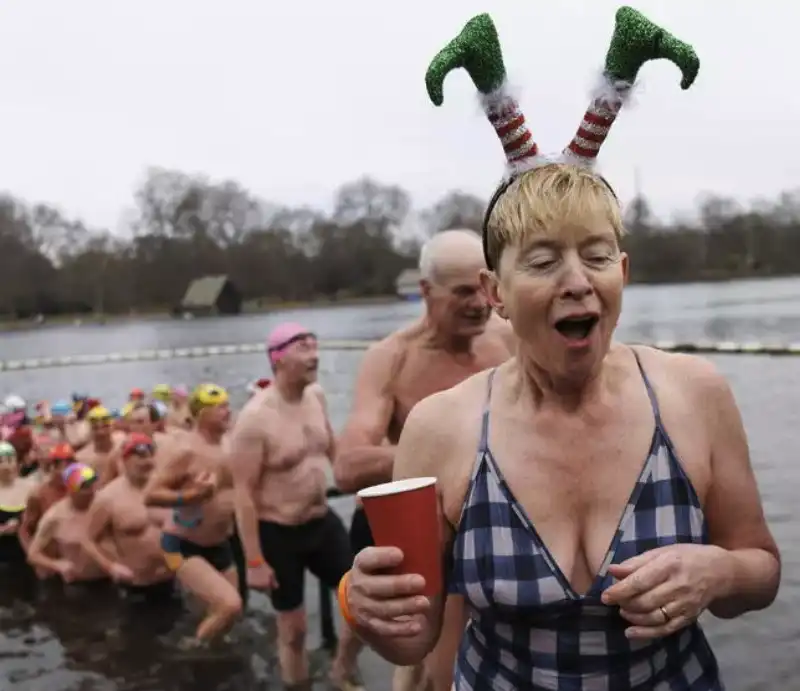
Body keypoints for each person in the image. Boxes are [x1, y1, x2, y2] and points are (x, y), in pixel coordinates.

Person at [343, 11, 780, 690]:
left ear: (623, 274)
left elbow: (760, 568)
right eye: (543, 260)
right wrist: (370, 607)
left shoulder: (696, 394)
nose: (578, 281)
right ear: (496, 291)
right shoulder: (440, 426)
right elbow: (416, 636)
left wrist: (717, 571)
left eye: (597, 255)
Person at [334, 230, 514, 691]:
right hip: (417, 528)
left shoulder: (506, 341)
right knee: (440, 668)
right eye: (462, 292)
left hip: (487, 521)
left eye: (484, 286)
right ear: (425, 291)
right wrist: (440, 448)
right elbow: (349, 464)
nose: (479, 302)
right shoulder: (392, 358)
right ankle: (343, 662)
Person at [230, 322, 364, 690]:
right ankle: (298, 684)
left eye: (315, 346)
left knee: (364, 602)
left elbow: (332, 446)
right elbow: (242, 493)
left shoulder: (316, 396)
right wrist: (254, 562)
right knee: (294, 630)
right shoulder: (254, 420)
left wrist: (356, 486)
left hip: (321, 521)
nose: (315, 355)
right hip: (278, 532)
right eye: (303, 349)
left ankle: (342, 669)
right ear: (277, 359)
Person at [144, 383, 242, 646]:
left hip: (220, 543)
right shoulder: (185, 450)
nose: (227, 411)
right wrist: (190, 496)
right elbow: (151, 495)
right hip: (179, 545)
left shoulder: (231, 444)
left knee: (226, 615)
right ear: (201, 414)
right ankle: (191, 653)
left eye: (227, 405)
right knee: (229, 606)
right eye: (219, 407)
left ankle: (212, 654)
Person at [83, 433, 175, 603]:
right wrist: (110, 567)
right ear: (124, 460)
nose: (146, 461)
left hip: (173, 578)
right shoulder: (107, 497)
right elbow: (87, 540)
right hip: (137, 584)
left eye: (149, 455)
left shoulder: (165, 486)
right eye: (139, 456)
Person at [27, 462, 110, 584]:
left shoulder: (104, 505)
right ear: (70, 489)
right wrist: (57, 564)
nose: (90, 491)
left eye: (92, 484)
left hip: (109, 580)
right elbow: (33, 555)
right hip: (77, 583)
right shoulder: (54, 517)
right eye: (84, 486)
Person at [19, 443, 72, 557]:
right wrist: (34, 558)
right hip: (51, 559)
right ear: (52, 468)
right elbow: (24, 530)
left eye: (70, 466)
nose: (66, 471)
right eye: (61, 466)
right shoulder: (38, 494)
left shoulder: (79, 490)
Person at [0, 441, 33, 566]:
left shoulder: (31, 488)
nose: (6, 466)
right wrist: (3, 530)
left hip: (28, 558)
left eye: (9, 460)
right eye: (0, 462)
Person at [76, 405, 125, 486]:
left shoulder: (122, 442)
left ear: (112, 427)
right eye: (96, 428)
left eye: (105, 427)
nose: (101, 432)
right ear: (90, 429)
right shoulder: (82, 458)